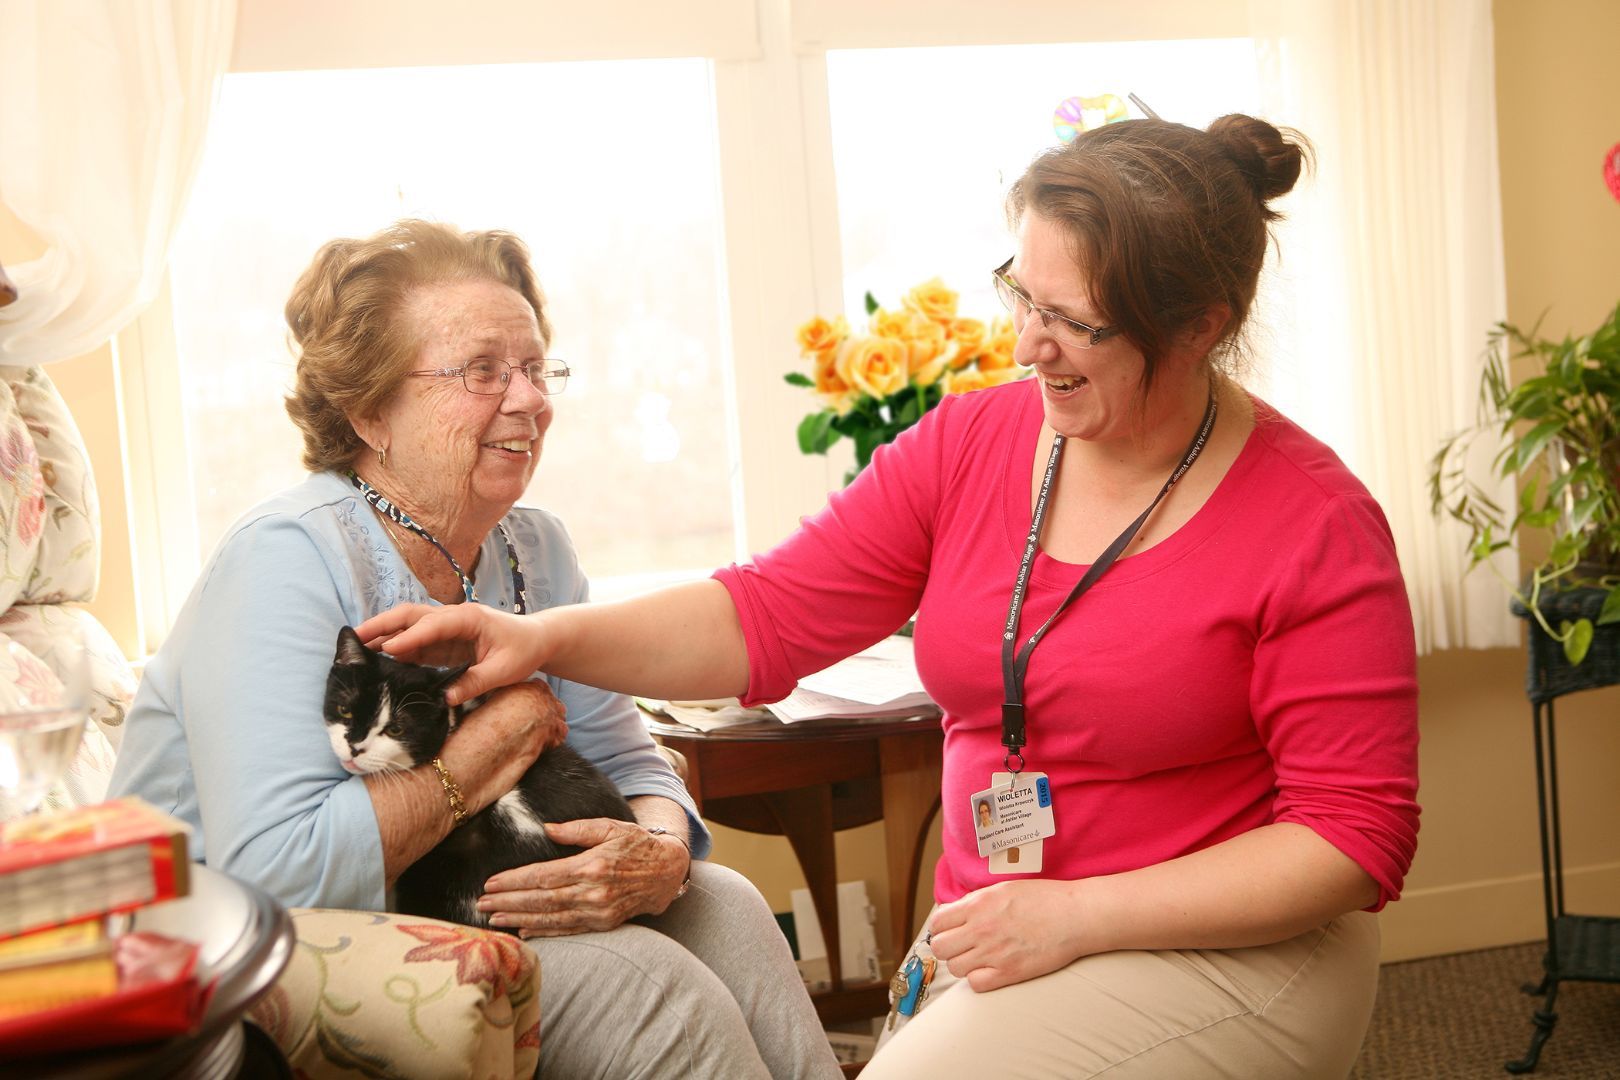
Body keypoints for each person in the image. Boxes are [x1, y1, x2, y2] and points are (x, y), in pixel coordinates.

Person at [359, 114, 1420, 1078]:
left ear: (1199, 326)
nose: (1026, 345)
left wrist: (1076, 917)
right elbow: (763, 615)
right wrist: (537, 636)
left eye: (1075, 323)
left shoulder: (1313, 523)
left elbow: (1349, 838)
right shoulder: (974, 442)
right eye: (1022, 295)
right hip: (1006, 922)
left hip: (1226, 949)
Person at [108, 220, 842, 1079]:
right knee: (654, 987)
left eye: (535, 369)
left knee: (727, 907)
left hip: (460, 895)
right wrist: (502, 735)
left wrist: (658, 852)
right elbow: (279, 870)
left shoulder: (537, 548)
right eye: (483, 371)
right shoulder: (283, 560)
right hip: (242, 945)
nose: (528, 399)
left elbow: (628, 763)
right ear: (370, 411)